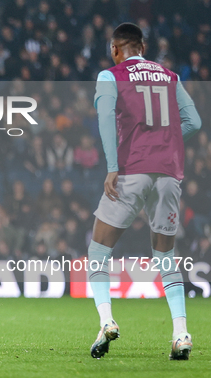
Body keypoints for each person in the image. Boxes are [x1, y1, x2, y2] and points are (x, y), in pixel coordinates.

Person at [89, 23, 201, 360]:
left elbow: (106, 119)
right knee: (166, 255)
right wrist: (165, 142)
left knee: (98, 251)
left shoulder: (110, 76)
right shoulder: (170, 77)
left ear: (116, 49)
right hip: (168, 172)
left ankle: (106, 321)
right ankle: (180, 334)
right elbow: (194, 121)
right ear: (143, 47)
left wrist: (112, 166)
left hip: (131, 169)